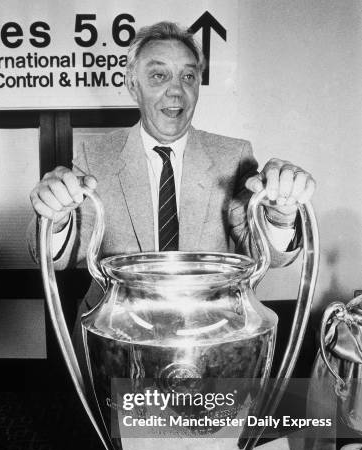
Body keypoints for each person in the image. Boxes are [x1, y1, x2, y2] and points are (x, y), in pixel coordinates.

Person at [28, 21, 316, 356]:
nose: (176, 90)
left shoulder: (232, 156)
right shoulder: (97, 157)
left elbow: (266, 250)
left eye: (188, 76)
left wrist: (281, 213)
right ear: (132, 85)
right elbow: (59, 256)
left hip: (211, 339)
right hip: (116, 340)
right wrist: (58, 218)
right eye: (158, 76)